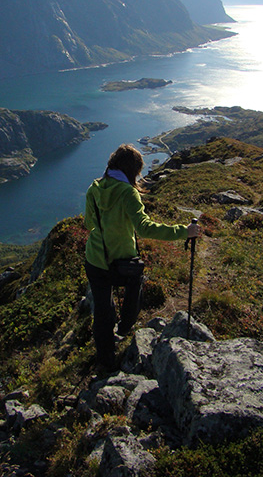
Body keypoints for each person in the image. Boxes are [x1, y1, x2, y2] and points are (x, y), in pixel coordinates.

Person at [84, 143, 200, 369]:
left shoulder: (94, 188)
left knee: (102, 311)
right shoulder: (128, 193)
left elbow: (89, 223)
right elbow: (145, 228)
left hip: (95, 260)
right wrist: (183, 231)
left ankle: (105, 362)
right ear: (132, 170)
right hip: (120, 263)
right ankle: (125, 327)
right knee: (135, 282)